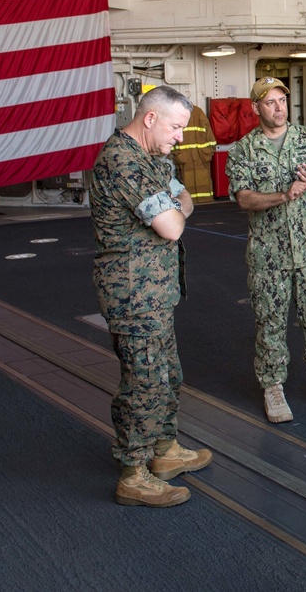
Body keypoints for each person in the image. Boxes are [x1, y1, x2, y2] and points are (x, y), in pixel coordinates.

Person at [90, 85, 213, 508]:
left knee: (167, 375)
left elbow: (185, 201)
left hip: (155, 290)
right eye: (176, 127)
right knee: (143, 383)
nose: (181, 137)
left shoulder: (152, 159)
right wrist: (175, 207)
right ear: (150, 119)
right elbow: (174, 226)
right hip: (132, 292)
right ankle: (133, 473)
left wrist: (175, 204)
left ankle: (164, 451)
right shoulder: (123, 161)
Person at [226, 77, 306, 424]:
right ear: (255, 108)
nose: (279, 108)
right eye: (270, 103)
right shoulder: (243, 151)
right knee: (270, 325)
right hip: (269, 256)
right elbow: (244, 198)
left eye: (282, 101)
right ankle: (273, 388)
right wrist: (284, 195)